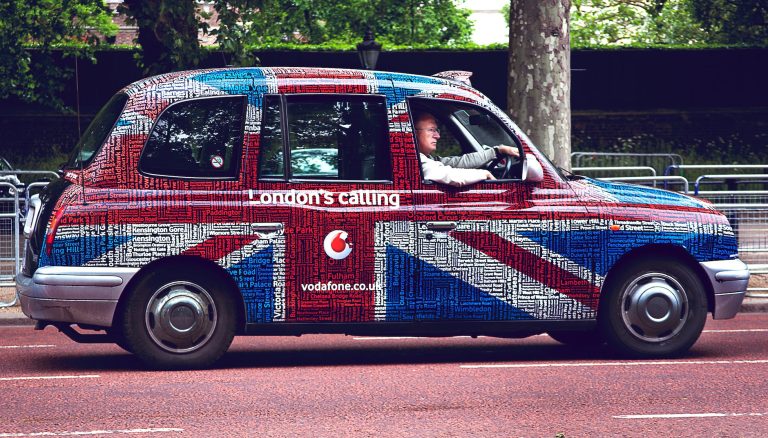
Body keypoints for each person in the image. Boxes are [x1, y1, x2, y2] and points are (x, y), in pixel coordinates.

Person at [414, 112, 520, 187]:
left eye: (437, 130)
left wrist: (497, 151)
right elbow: (449, 175)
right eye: (431, 130)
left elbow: (456, 163)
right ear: (413, 133)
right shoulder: (414, 161)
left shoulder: (428, 160)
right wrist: (484, 174)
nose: (437, 136)